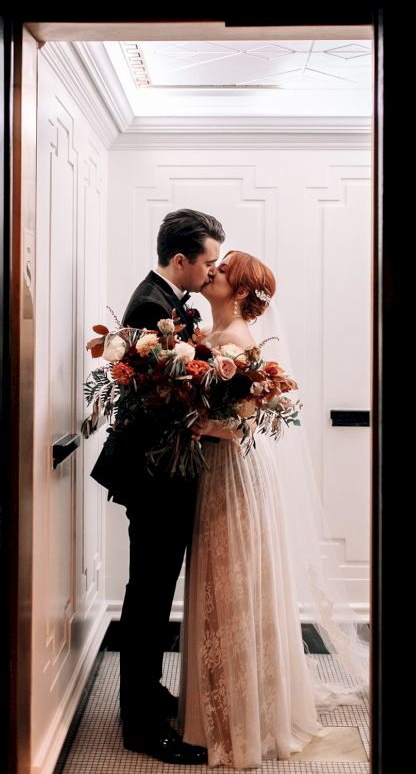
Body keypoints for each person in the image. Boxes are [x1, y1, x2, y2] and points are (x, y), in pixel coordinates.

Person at [179, 250, 368, 769]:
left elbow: (249, 424)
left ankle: (243, 721)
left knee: (236, 586)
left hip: (237, 473)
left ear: (240, 292)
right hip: (217, 474)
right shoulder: (212, 340)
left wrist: (205, 426)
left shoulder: (238, 341)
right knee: (222, 584)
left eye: (223, 269)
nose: (212, 270)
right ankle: (221, 709)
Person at [100, 208, 225, 765]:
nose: (210, 272)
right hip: (154, 475)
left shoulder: (166, 301)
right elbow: (158, 405)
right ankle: (142, 728)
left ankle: (146, 695)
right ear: (181, 259)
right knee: (148, 598)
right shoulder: (153, 306)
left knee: (151, 594)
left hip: (161, 471)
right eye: (208, 262)